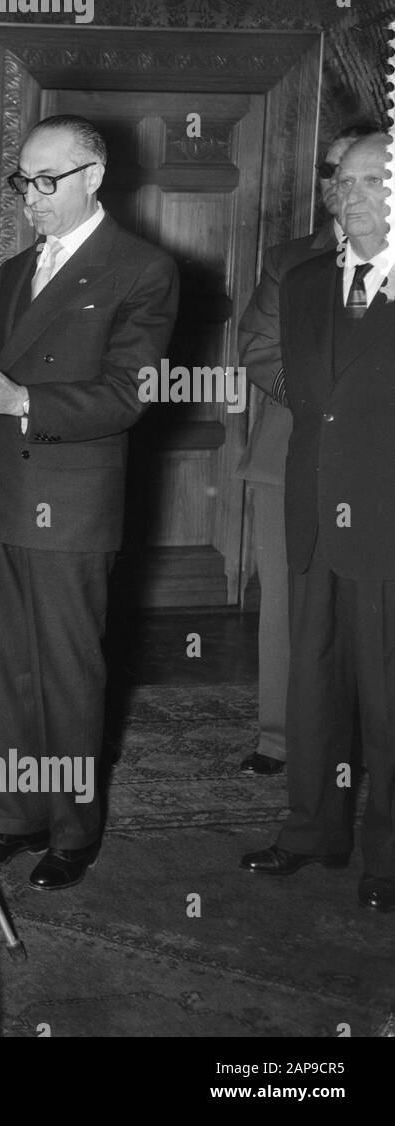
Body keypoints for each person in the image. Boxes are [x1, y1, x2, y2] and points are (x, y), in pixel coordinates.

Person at [0, 115, 178, 890]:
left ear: (93, 177)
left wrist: (19, 400)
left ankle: (73, 830)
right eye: (23, 182)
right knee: (2, 672)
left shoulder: (141, 270)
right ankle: (14, 816)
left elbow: (127, 395)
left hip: (69, 509)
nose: (30, 197)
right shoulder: (5, 277)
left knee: (69, 675)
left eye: (47, 181)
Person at [240, 132, 395, 914]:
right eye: (346, 182)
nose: (355, 195)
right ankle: (310, 830)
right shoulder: (303, 283)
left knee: (388, 697)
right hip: (312, 513)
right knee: (313, 688)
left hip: (388, 525)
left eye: (377, 180)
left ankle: (389, 857)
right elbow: (302, 392)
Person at [234, 123, 377, 777]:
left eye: (362, 174)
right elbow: (259, 349)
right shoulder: (290, 259)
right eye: (333, 172)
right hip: (289, 453)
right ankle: (280, 737)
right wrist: (326, 406)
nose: (341, 185)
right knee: (290, 605)